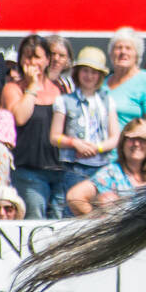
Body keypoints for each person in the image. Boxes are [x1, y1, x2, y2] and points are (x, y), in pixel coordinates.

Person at [2, 34, 66, 219]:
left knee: (60, 223)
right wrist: (31, 87)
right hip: (28, 170)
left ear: (47, 59)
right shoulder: (14, 88)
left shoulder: (59, 90)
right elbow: (20, 118)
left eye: (36, 57)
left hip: (59, 169)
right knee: (35, 223)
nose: (31, 62)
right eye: (27, 57)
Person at [51, 46, 118, 209]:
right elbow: (54, 137)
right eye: (85, 71)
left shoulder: (107, 100)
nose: (89, 76)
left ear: (100, 76)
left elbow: (115, 137)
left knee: (103, 209)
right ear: (77, 72)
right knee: (73, 209)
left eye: (94, 72)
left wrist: (97, 148)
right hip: (74, 167)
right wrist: (75, 143)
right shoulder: (64, 100)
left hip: (102, 166)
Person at [106, 27, 146, 132]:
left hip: (133, 146)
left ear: (137, 54)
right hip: (101, 147)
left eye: (128, 48)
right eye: (118, 48)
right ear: (111, 53)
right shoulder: (102, 83)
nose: (123, 52)